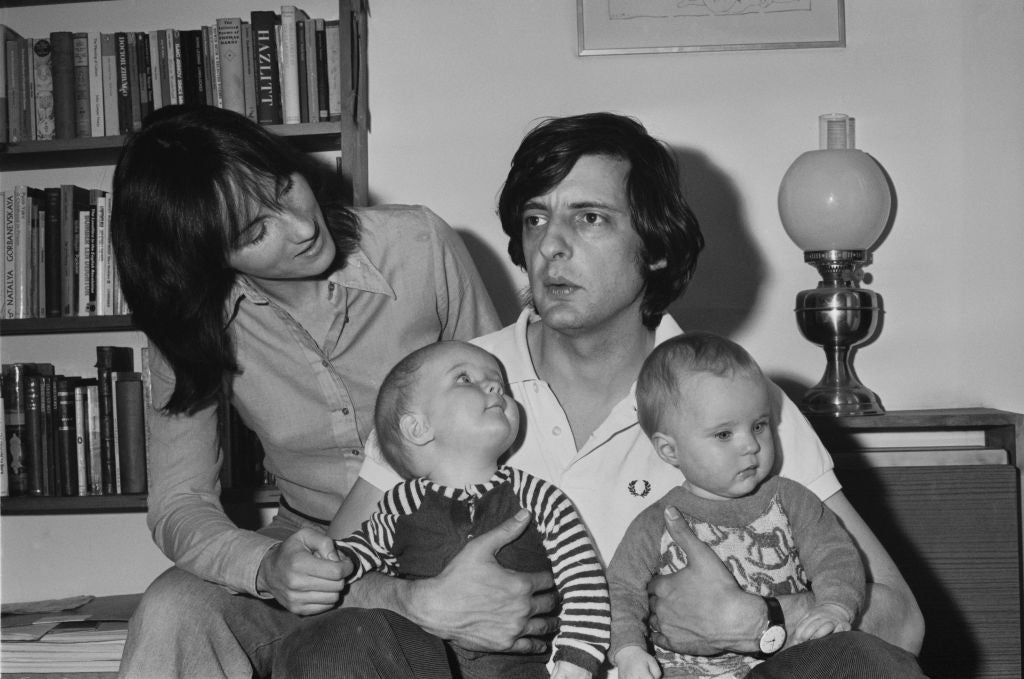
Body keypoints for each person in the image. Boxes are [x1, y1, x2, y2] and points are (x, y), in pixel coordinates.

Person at [312, 112, 924, 676]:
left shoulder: (735, 398)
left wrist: (760, 624)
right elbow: (320, 585)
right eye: (535, 218)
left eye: (589, 217)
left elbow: (899, 620)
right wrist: (414, 600)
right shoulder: (450, 386)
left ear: (655, 248)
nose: (550, 244)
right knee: (338, 649)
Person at [109, 104, 501, 679]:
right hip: (308, 540)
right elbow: (179, 502)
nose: (302, 226)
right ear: (205, 252)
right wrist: (266, 565)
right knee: (173, 609)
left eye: (283, 186)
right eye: (255, 231)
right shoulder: (190, 323)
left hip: (447, 529)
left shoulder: (419, 244)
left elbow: (510, 404)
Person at [311, 340, 610, 679]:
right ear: (418, 428)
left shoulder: (539, 497)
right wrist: (326, 562)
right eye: (465, 379)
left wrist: (575, 663)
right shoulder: (399, 504)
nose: (496, 386)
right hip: (420, 666)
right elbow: (352, 559)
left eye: (500, 382)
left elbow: (585, 581)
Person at [608, 332, 866, 679]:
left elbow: (835, 554)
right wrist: (628, 651)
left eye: (759, 426)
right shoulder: (657, 521)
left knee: (869, 658)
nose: (751, 445)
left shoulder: (791, 500)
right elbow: (621, 590)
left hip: (789, 666)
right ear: (669, 450)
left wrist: (835, 606)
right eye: (724, 434)